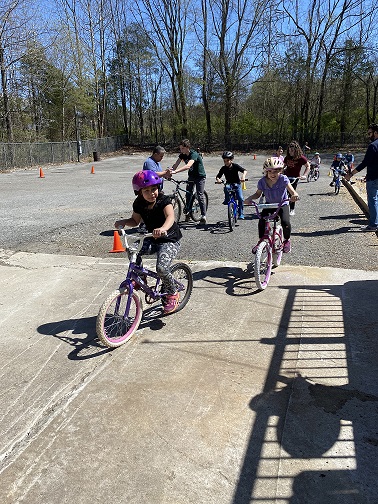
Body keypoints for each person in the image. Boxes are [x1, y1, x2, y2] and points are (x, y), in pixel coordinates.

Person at [114, 170, 182, 314]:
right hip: (151, 237)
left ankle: (172, 292)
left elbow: (171, 217)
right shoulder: (139, 203)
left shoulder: (164, 201)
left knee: (162, 268)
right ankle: (141, 277)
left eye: (154, 189)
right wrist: (125, 222)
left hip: (169, 239)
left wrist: (163, 228)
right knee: (132, 249)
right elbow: (135, 221)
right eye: (147, 191)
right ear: (139, 192)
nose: (152, 193)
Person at [245, 157, 299, 253]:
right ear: (266, 172)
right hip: (269, 204)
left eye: (276, 171)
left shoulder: (283, 179)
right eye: (270, 171)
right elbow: (257, 194)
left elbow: (292, 191)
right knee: (262, 219)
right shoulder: (262, 181)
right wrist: (250, 198)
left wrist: (294, 195)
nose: (272, 174)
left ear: (281, 171)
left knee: (285, 222)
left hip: (282, 204)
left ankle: (287, 240)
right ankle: (261, 240)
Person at [345, 123, 378, 231]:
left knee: (373, 200)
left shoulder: (373, 146)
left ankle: (373, 225)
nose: (369, 136)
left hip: (374, 178)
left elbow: (365, 163)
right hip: (372, 176)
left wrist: (351, 174)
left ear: (376, 133)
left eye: (370, 133)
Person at [170, 138, 207, 224]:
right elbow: (175, 165)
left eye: (182, 148)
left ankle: (203, 215)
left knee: (200, 194)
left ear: (187, 147)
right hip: (191, 176)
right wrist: (169, 172)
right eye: (180, 148)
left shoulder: (194, 154)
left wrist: (176, 171)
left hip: (200, 176)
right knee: (188, 194)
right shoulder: (182, 155)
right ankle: (188, 213)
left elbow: (188, 166)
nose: (181, 150)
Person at [215, 151, 247, 219]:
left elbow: (244, 170)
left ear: (231, 160)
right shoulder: (223, 168)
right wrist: (218, 180)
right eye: (224, 161)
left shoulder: (235, 166)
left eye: (227, 160)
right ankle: (227, 199)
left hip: (237, 184)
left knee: (240, 198)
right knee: (226, 188)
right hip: (229, 184)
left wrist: (243, 176)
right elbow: (218, 176)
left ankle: (241, 213)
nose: (226, 162)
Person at [283, 140, 310, 215]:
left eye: (292, 151)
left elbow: (308, 166)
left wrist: (304, 175)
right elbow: (283, 166)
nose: (291, 152)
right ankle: (282, 208)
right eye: (290, 151)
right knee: (283, 193)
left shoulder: (301, 158)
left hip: (295, 178)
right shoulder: (287, 158)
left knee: (292, 193)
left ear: (296, 150)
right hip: (286, 177)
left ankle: (292, 209)